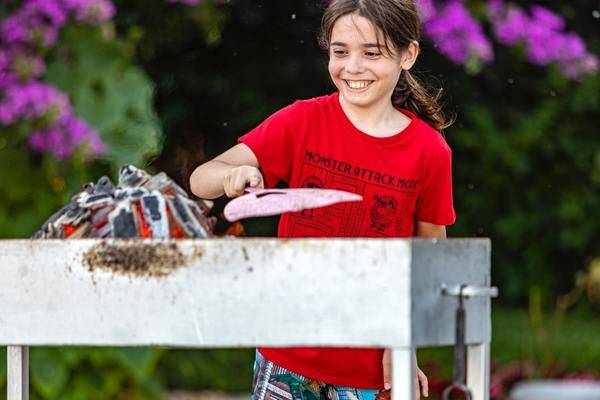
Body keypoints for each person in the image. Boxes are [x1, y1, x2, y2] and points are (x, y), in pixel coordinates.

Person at [190, 0, 456, 399]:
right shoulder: (302, 122)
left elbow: (432, 256)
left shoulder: (429, 151)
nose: (353, 67)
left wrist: (404, 340)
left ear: (408, 54)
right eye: (340, 51)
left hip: (373, 367)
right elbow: (199, 180)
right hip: (286, 355)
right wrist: (232, 174)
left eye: (371, 53)